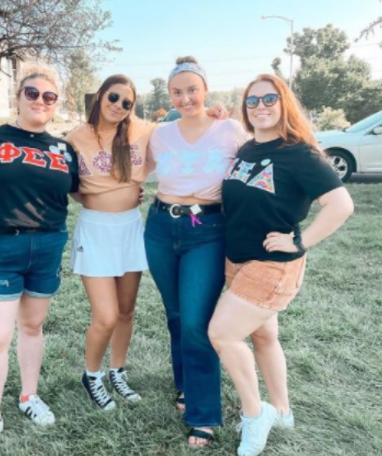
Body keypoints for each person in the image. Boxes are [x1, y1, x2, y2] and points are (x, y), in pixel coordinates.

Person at [207, 74, 354, 456]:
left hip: (273, 264)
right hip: (237, 260)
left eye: (269, 99)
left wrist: (299, 240)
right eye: (252, 102)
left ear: (284, 102)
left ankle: (256, 415)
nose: (261, 107)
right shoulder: (247, 148)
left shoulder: (300, 153)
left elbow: (341, 205)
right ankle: (283, 410)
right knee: (264, 336)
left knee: (223, 335)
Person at [0, 66, 79, 456]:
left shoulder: (63, 149)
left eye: (49, 96)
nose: (40, 101)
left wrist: (127, 197)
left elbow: (79, 194)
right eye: (32, 92)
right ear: (18, 95)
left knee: (33, 326)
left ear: (57, 103)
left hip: (47, 247)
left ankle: (29, 395)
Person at [143, 56, 249, 447]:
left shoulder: (229, 128)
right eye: (177, 91)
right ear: (169, 95)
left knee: (195, 320)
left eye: (192, 89)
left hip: (207, 229)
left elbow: (257, 165)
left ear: (205, 89)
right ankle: (185, 385)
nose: (185, 98)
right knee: (174, 314)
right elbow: (133, 168)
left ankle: (203, 414)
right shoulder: (159, 133)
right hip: (159, 226)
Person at [65, 75, 154, 411]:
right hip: (96, 230)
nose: (118, 106)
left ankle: (117, 371)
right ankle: (92, 375)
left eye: (127, 103)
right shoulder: (76, 137)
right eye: (114, 98)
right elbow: (69, 182)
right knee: (106, 315)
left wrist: (215, 114)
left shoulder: (142, 131)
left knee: (127, 310)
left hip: (131, 228)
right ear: (101, 95)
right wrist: (87, 195)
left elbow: (185, 134)